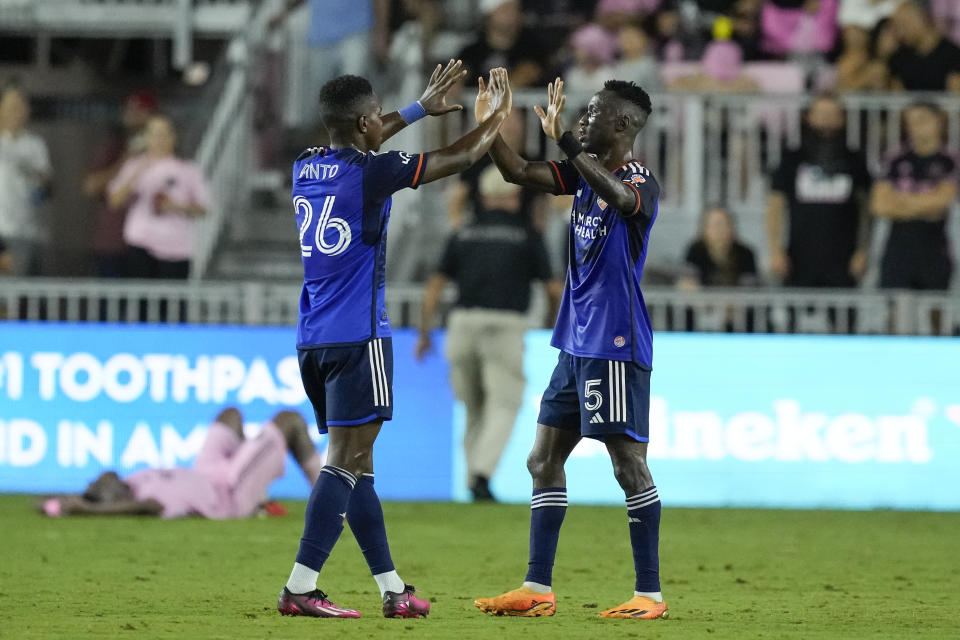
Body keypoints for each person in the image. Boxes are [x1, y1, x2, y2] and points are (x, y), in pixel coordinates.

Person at [277, 61, 513, 620]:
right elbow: (458, 158)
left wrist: (415, 110)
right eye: (375, 117)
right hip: (360, 335)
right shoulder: (372, 173)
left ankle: (393, 590)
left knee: (359, 468)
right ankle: (301, 586)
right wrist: (497, 118)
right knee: (347, 460)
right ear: (363, 123)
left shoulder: (306, 166)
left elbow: (365, 134)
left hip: (314, 336)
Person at [473, 76, 669, 620]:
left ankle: (649, 594)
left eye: (595, 113)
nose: (583, 119)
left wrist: (567, 142)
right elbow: (515, 171)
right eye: (582, 114)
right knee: (542, 459)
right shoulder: (580, 174)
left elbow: (620, 197)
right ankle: (537, 587)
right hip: (574, 342)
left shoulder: (638, 180)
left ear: (625, 125)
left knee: (627, 464)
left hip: (615, 341)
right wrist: (490, 124)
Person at [416, 165, 561, 503]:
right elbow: (554, 290)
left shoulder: (463, 233)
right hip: (505, 326)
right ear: (514, 197)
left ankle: (473, 479)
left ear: (482, 196)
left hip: (462, 324)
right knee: (505, 403)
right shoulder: (527, 234)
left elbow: (435, 287)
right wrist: (553, 324)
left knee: (473, 408)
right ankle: (481, 475)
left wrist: (425, 332)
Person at [39, 408, 321, 519]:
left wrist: (57, 503)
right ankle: (329, 503)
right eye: (97, 484)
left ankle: (257, 487)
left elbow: (52, 504)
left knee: (230, 416)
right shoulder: (144, 499)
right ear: (108, 498)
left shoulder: (135, 480)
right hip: (228, 494)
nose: (97, 477)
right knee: (290, 422)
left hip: (207, 473)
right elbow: (147, 507)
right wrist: (88, 508)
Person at [767, 95, 872, 288]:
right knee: (794, 313)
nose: (826, 120)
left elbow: (867, 209)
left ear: (842, 119)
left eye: (832, 114)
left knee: (843, 316)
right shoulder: (792, 157)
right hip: (799, 256)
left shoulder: (855, 159)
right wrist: (775, 250)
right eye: (821, 114)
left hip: (844, 258)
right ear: (809, 117)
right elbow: (775, 206)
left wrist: (863, 251)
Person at [107, 115, 209, 279]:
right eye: (154, 134)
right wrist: (136, 173)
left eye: (163, 134)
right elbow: (114, 201)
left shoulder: (188, 169)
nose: (159, 139)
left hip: (176, 247)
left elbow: (203, 208)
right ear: (146, 137)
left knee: (172, 302)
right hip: (141, 244)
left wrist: (177, 207)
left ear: (173, 137)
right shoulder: (134, 166)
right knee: (141, 300)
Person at [872, 102, 957, 292]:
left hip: (935, 242)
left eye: (922, 120)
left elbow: (943, 201)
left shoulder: (950, 159)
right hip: (898, 243)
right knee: (893, 305)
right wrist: (924, 203)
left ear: (939, 121)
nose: (916, 127)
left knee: (937, 307)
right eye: (911, 122)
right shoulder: (894, 158)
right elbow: (880, 205)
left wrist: (901, 201)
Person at [83, 91, 159, 278]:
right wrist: (124, 163)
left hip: (151, 244)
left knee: (149, 304)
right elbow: (90, 187)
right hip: (114, 242)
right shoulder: (114, 147)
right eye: (130, 110)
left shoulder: (163, 151)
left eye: (141, 111)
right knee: (111, 304)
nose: (133, 115)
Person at [0, 82, 52, 276]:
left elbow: (47, 187)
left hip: (22, 230)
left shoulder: (35, 145)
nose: (15, 112)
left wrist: (32, 173)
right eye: (11, 106)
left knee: (12, 292)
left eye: (20, 106)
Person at [887, 1, 960, 92]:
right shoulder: (898, 58)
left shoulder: (953, 55)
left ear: (923, 18)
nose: (901, 31)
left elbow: (955, 96)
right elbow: (896, 96)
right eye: (897, 26)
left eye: (905, 23)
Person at [679, 205, 757, 288]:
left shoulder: (746, 253)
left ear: (732, 228)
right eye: (716, 225)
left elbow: (751, 286)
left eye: (725, 224)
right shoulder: (695, 251)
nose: (720, 230)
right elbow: (687, 282)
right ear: (705, 229)